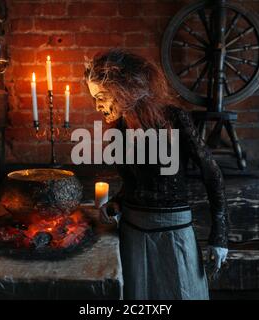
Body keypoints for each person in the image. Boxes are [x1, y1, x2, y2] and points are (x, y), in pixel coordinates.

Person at [84, 49, 228, 300]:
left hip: (173, 235)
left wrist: (220, 234)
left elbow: (212, 174)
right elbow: (133, 183)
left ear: (125, 89)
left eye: (102, 96)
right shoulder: (119, 127)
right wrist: (116, 203)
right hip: (133, 236)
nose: (97, 105)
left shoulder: (173, 118)